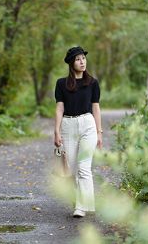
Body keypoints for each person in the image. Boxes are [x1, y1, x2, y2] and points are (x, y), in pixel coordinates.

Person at [54, 46, 103, 218]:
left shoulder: (93, 83)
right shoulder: (61, 84)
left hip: (88, 125)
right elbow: (60, 108)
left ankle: (82, 206)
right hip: (68, 125)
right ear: (71, 63)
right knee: (72, 169)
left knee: (84, 168)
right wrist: (56, 131)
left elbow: (96, 108)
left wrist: (99, 132)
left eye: (83, 58)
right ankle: (80, 201)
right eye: (78, 59)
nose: (82, 62)